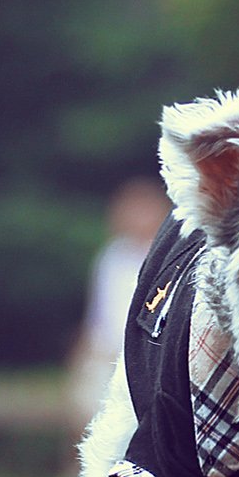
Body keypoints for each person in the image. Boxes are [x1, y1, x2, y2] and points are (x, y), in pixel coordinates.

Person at [67, 177, 170, 428]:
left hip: (151, 356)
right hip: (106, 355)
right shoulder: (112, 257)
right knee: (89, 414)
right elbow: (97, 316)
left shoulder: (165, 256)